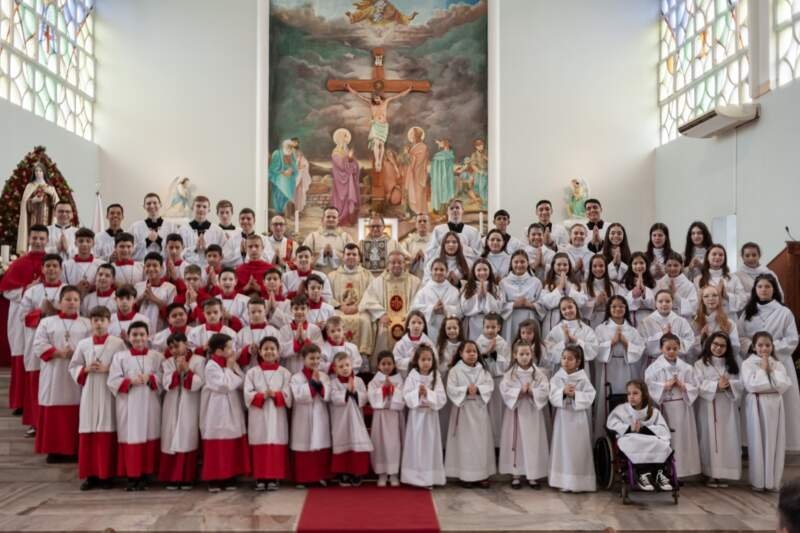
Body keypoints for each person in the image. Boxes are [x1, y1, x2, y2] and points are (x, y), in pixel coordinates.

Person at [737, 274, 800, 452]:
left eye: (767, 286)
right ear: (755, 290)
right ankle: (752, 444)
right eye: (760, 287)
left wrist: (769, 349)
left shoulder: (784, 312)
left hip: (779, 363)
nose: (763, 290)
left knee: (783, 402)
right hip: (754, 363)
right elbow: (740, 336)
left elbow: (792, 339)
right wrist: (754, 348)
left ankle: (784, 444)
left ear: (774, 290)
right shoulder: (748, 312)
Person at [68, 306, 125, 490]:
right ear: (91, 323)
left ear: (109, 322)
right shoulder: (83, 344)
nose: (99, 324)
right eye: (95, 320)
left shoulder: (117, 343)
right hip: (90, 390)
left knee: (107, 430)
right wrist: (85, 369)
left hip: (108, 391)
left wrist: (108, 369)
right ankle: (90, 475)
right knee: (89, 430)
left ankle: (106, 475)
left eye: (102, 320)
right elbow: (73, 366)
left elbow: (126, 365)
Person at [32, 285, 90, 462]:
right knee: (54, 410)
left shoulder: (87, 323)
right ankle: (54, 450)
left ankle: (74, 450)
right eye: (68, 299)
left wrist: (76, 354)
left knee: (77, 409)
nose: (72, 303)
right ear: (60, 302)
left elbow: (92, 347)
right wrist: (58, 353)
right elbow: (38, 344)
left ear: (80, 303)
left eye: (75, 300)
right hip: (54, 372)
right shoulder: (47, 322)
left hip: (76, 374)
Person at [107, 321, 163, 491]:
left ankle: (146, 475)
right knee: (131, 437)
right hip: (128, 404)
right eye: (135, 335)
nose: (138, 338)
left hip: (150, 402)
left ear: (148, 336)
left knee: (149, 434)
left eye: (142, 334)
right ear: (128, 337)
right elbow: (112, 380)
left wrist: (151, 378)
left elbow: (164, 377)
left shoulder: (156, 356)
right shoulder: (120, 357)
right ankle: (132, 476)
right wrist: (130, 381)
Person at [1, 224, 48, 418]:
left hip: (45, 319)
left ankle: (38, 403)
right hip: (20, 318)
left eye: (41, 238)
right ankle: (21, 402)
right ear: (29, 239)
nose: (37, 241)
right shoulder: (19, 263)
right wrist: (27, 288)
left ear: (47, 240)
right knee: (22, 356)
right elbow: (6, 291)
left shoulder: (51, 263)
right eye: (34, 238)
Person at [644, 333, 701, 479]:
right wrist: (665, 385)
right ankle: (666, 471)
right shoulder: (654, 368)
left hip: (683, 407)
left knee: (683, 439)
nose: (671, 352)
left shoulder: (686, 368)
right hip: (665, 408)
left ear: (679, 348)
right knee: (669, 439)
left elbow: (695, 386)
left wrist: (683, 386)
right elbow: (649, 384)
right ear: (661, 348)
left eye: (675, 349)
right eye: (668, 348)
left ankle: (683, 471)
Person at [740, 332, 791, 492]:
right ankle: (759, 481)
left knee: (776, 442)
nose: (764, 348)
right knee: (758, 441)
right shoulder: (747, 364)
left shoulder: (778, 364)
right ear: (754, 347)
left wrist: (770, 370)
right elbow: (752, 386)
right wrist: (763, 370)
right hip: (758, 404)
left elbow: (783, 385)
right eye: (760, 345)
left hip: (775, 405)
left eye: (767, 345)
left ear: (772, 346)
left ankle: (773, 481)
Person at [19, 253, 64, 434]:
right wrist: (41, 312)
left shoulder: (67, 290)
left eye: (55, 266)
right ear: (42, 269)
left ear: (60, 269)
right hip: (36, 342)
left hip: (60, 345)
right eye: (48, 266)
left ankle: (54, 425)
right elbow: (22, 317)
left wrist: (55, 311)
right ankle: (36, 423)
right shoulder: (32, 291)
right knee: (36, 383)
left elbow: (76, 313)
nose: (51, 269)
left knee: (58, 385)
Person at [200, 332, 250, 492]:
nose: (232, 350)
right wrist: (229, 369)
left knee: (231, 441)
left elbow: (242, 381)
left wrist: (231, 369)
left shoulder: (230, 363)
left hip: (232, 406)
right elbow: (223, 386)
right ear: (219, 351)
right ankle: (214, 478)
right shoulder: (211, 365)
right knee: (217, 443)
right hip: (217, 408)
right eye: (229, 347)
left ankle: (229, 476)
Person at [606, 380, 674, 492]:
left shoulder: (653, 412)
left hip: (649, 437)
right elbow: (612, 423)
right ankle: (643, 474)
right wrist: (629, 428)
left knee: (660, 443)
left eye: (635, 393)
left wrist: (643, 429)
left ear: (644, 394)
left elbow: (663, 429)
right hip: (630, 437)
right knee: (634, 442)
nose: (631, 397)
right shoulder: (621, 409)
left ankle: (660, 474)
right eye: (629, 394)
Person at [498, 341, 550, 489]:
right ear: (515, 355)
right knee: (517, 443)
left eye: (527, 354)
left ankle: (532, 475)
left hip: (533, 414)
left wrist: (532, 391)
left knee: (533, 443)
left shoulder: (538, 374)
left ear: (532, 355)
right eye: (521, 354)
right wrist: (519, 392)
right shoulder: (510, 374)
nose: (525, 357)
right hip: (516, 412)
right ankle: (516, 475)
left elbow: (545, 389)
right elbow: (504, 389)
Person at [694, 332, 742, 487]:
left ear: (727, 348)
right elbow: (697, 384)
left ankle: (724, 474)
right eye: (715, 344)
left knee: (727, 438)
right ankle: (710, 474)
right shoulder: (700, 364)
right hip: (708, 407)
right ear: (709, 344)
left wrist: (729, 385)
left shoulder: (732, 364)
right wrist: (716, 385)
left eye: (722, 345)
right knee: (709, 439)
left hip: (727, 407)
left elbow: (741, 383)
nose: (718, 348)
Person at [445, 340, 496, 487]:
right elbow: (451, 389)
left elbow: (490, 386)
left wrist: (479, 389)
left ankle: (482, 475)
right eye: (468, 351)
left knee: (480, 444)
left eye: (474, 351)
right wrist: (465, 390)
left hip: (479, 411)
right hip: (463, 411)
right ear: (461, 353)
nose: (472, 354)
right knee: (464, 444)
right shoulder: (455, 371)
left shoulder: (483, 370)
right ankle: (465, 476)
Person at [244, 336, 292, 491]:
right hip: (259, 413)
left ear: (278, 352)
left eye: (272, 349)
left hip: (277, 414)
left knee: (275, 441)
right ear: (259, 351)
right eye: (266, 349)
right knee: (260, 442)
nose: (269, 352)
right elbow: (247, 393)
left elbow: (288, 394)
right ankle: (260, 477)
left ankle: (274, 477)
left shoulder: (285, 373)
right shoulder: (252, 372)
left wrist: (276, 395)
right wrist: (261, 396)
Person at [594, 296, 645, 438]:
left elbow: (640, 349)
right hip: (609, 367)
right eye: (614, 306)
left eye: (621, 306)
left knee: (628, 397)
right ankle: (604, 437)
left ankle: (627, 434)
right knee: (607, 398)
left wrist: (625, 342)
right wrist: (612, 342)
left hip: (626, 367)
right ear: (609, 309)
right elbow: (595, 349)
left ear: (626, 309)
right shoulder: (601, 328)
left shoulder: (632, 330)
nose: (618, 309)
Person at [158, 332, 204, 490]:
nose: (174, 350)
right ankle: (172, 477)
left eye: (177, 346)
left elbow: (199, 383)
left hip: (190, 403)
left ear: (187, 344)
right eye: (171, 348)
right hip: (172, 403)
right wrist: (177, 372)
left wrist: (187, 371)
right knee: (170, 437)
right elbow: (166, 383)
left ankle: (187, 477)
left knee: (187, 437)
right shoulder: (167, 363)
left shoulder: (198, 360)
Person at [548, 345, 597, 493]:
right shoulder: (557, 377)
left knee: (578, 449)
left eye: (570, 359)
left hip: (578, 418)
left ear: (578, 361)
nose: (566, 361)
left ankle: (579, 483)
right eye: (563, 358)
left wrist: (576, 394)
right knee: (563, 449)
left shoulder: (582, 378)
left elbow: (590, 396)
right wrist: (562, 392)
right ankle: (563, 481)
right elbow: (552, 395)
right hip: (563, 418)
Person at [359, 250, 421, 358]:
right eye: (393, 262)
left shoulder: (415, 281)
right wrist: (381, 314)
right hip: (386, 319)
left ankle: (407, 363)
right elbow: (368, 300)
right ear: (388, 264)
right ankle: (384, 365)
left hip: (407, 319)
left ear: (404, 264)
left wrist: (410, 316)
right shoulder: (378, 281)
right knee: (383, 331)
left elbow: (418, 301)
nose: (396, 265)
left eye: (399, 262)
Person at [401, 344, 447, 488]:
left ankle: (429, 478)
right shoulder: (412, 376)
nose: (426, 362)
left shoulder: (436, 377)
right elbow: (406, 396)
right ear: (417, 361)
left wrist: (428, 393)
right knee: (416, 447)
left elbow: (441, 398)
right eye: (423, 359)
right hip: (416, 418)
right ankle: (413, 478)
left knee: (429, 447)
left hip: (430, 418)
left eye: (429, 359)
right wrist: (417, 393)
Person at [344, 83, 411, 173]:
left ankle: (380, 160)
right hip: (376, 125)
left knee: (381, 144)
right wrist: (349, 88)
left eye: (378, 98)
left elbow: (398, 95)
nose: (376, 100)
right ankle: (377, 162)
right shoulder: (371, 103)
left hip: (384, 126)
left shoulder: (386, 102)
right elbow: (358, 95)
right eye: (375, 99)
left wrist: (408, 90)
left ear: (380, 98)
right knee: (376, 142)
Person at [289, 344, 332, 486]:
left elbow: (327, 395)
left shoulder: (324, 376)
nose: (315, 361)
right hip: (302, 416)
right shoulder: (296, 377)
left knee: (320, 442)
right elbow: (298, 396)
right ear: (303, 359)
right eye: (312, 358)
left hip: (320, 414)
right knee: (303, 444)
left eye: (318, 358)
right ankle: (303, 479)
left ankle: (320, 476)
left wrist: (320, 386)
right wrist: (313, 383)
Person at [329, 352, 372, 486]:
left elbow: (364, 397)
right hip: (341, 420)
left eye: (347, 365)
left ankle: (357, 473)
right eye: (341, 366)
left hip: (356, 419)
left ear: (352, 365)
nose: (345, 368)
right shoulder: (333, 383)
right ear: (335, 369)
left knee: (357, 443)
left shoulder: (358, 381)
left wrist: (355, 392)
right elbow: (334, 397)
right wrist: (346, 392)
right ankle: (344, 473)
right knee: (343, 443)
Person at [327, 243, 374, 357]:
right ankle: (336, 353)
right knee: (333, 321)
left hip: (360, 310)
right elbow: (327, 296)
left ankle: (363, 355)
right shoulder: (332, 276)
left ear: (359, 258)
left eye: (354, 254)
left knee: (365, 321)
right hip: (339, 310)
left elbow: (372, 295)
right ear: (343, 257)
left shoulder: (367, 275)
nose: (351, 257)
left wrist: (358, 307)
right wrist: (340, 306)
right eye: (348, 254)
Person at [367, 352, 405, 487]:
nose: (386, 366)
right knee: (380, 444)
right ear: (378, 365)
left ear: (394, 365)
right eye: (383, 364)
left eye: (389, 363)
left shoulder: (399, 380)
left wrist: (393, 389)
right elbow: (371, 397)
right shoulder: (375, 381)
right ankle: (382, 473)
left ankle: (394, 473)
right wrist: (383, 389)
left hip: (394, 416)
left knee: (394, 445)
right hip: (381, 417)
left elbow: (403, 397)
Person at [476, 313, 510, 447]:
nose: (490, 330)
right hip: (483, 383)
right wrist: (486, 353)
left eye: (493, 327)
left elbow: (507, 364)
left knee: (497, 413)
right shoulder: (478, 342)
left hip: (497, 380)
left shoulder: (503, 343)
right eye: (487, 327)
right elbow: (475, 362)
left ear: (499, 327)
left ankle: (497, 444)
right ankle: (484, 443)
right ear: (483, 327)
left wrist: (495, 355)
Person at [638, 290, 695, 371]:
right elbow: (641, 344)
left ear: (672, 303)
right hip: (654, 363)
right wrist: (661, 335)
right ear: (655, 303)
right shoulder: (645, 322)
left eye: (668, 301)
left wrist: (672, 337)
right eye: (660, 301)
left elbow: (690, 341)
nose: (664, 304)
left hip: (677, 363)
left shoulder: (681, 321)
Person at [411, 258, 462, 344]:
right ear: (431, 271)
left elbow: (460, 311)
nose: (438, 272)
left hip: (449, 331)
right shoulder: (424, 291)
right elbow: (414, 309)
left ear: (447, 272)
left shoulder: (454, 291)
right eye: (435, 269)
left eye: (442, 270)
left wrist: (446, 309)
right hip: (430, 330)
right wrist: (432, 309)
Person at [544, 297, 599, 377]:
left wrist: (577, 341)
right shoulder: (556, 330)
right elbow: (548, 351)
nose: (568, 311)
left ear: (575, 307)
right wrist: (564, 342)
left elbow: (593, 349)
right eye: (564, 309)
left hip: (581, 370)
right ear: (561, 312)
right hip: (561, 371)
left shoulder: (586, 329)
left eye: (570, 307)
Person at [539, 252, 586, 336]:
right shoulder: (548, 284)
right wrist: (560, 287)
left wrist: (567, 287)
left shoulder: (576, 284)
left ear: (569, 266)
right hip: (552, 320)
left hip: (572, 321)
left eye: (565, 265)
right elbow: (546, 303)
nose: (562, 267)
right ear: (553, 266)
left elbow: (581, 302)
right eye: (559, 264)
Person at [17, 161, 59, 254]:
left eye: (40, 171)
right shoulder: (30, 186)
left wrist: (50, 195)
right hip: (33, 217)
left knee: (45, 233)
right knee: (34, 233)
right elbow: (24, 203)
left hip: (46, 217)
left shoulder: (50, 187)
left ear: (44, 172)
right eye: (36, 171)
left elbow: (56, 204)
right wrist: (33, 200)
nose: (38, 173)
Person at [693, 244, 747, 315]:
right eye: (714, 254)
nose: (717, 257)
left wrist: (726, 295)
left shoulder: (733, 278)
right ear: (707, 257)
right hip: (707, 317)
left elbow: (743, 300)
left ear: (724, 258)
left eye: (721, 255)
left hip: (728, 317)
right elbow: (694, 303)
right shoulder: (698, 279)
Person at [689, 285, 740, 362]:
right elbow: (690, 351)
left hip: (725, 363)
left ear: (719, 299)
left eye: (714, 295)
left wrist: (719, 342)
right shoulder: (695, 323)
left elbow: (736, 348)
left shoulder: (729, 323)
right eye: (706, 296)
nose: (711, 298)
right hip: (702, 363)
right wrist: (701, 338)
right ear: (702, 300)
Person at [500, 250, 541, 340]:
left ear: (527, 263)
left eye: (522, 262)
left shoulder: (536, 282)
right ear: (511, 264)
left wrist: (530, 305)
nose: (519, 265)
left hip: (530, 317)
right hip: (511, 319)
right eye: (516, 262)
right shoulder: (503, 282)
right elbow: (499, 305)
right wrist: (513, 305)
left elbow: (542, 304)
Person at [277, 295, 324, 374]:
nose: (299, 311)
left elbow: (319, 350)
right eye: (296, 308)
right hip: (290, 368)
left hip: (310, 370)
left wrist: (305, 340)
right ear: (291, 310)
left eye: (303, 308)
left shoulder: (315, 329)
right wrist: (296, 342)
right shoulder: (284, 329)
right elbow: (281, 351)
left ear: (308, 309)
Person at [460, 259, 505, 340]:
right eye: (479, 270)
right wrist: (478, 296)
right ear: (474, 272)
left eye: (485, 269)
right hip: (473, 323)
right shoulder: (468, 287)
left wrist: (487, 295)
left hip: (490, 324)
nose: (482, 273)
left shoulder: (495, 288)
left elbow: (498, 309)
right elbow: (464, 308)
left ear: (489, 271)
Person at [302, 207, 355, 274]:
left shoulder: (346, 237)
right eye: (328, 217)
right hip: (317, 277)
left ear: (338, 220)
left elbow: (353, 260)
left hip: (341, 276)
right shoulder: (312, 237)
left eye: (334, 217)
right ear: (322, 219)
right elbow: (303, 258)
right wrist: (322, 253)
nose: (331, 219)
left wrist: (334, 253)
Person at [134, 252, 176, 334]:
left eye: (155, 265)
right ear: (144, 268)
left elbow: (171, 312)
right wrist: (142, 298)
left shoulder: (170, 288)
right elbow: (132, 309)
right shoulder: (138, 286)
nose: (151, 269)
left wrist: (153, 298)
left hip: (161, 331)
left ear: (161, 268)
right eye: (148, 266)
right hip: (140, 331)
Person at [180, 196, 226, 267]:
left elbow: (223, 253)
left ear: (209, 210)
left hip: (210, 268)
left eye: (204, 207)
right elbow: (179, 253)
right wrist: (195, 248)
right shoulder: (183, 230)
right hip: (189, 267)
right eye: (198, 206)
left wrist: (207, 249)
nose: (201, 209)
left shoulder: (218, 231)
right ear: (192, 208)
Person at [130, 193, 178, 261]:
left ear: (160, 205)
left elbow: (177, 248)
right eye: (148, 203)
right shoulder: (135, 227)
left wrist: (159, 240)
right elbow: (130, 250)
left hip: (165, 264)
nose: (152, 206)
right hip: (142, 264)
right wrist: (147, 241)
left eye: (155, 203)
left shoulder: (171, 226)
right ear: (144, 206)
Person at [235, 298, 280, 369]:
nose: (256, 315)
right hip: (247, 370)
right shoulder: (242, 333)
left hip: (269, 370)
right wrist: (247, 350)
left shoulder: (273, 331)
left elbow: (279, 352)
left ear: (265, 312)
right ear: (248, 313)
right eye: (253, 312)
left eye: (259, 311)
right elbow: (235, 354)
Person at [329, 131, 361, 225]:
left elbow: (354, 165)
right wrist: (348, 159)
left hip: (348, 180)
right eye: (344, 138)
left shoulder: (347, 152)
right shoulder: (335, 152)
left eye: (346, 139)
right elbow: (341, 166)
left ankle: (348, 219)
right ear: (340, 139)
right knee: (340, 199)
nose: (346, 141)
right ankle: (339, 218)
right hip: (340, 180)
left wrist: (351, 160)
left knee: (348, 199)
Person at [392, 311, 437, 376]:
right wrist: (410, 359)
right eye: (413, 322)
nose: (416, 325)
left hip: (424, 377)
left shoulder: (428, 343)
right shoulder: (400, 344)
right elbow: (395, 362)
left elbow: (435, 361)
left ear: (423, 326)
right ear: (408, 325)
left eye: (419, 323)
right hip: (405, 377)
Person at [655, 252, 698, 320]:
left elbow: (693, 307)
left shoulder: (689, 285)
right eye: (669, 265)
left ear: (681, 266)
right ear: (665, 266)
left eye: (676, 265)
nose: (672, 268)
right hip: (662, 318)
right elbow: (654, 304)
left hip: (681, 318)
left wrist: (675, 294)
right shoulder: (660, 283)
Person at [621, 252, 656, 327]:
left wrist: (644, 293)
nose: (639, 266)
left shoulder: (653, 282)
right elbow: (623, 303)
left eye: (641, 263)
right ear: (630, 266)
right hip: (632, 317)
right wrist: (634, 295)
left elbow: (655, 303)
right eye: (635, 263)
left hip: (649, 317)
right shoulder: (624, 283)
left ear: (646, 264)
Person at [62, 228, 101, 296]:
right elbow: (62, 287)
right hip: (73, 298)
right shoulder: (65, 265)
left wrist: (93, 287)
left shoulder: (101, 264)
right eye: (81, 241)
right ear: (75, 243)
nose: (84, 244)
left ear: (93, 243)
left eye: (88, 241)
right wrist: (76, 288)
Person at [582, 254, 618, 328]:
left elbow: (619, 304)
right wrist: (595, 303)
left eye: (601, 266)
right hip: (592, 321)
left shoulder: (614, 286)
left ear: (606, 267)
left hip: (609, 321)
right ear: (590, 268)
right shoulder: (584, 286)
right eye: (595, 266)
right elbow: (581, 306)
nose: (598, 269)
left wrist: (608, 302)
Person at [268, 139, 298, 216]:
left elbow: (295, 168)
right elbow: (272, 169)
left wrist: (291, 170)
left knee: (293, 180)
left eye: (291, 147)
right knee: (283, 180)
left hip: (290, 176)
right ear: (284, 146)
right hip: (277, 176)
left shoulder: (292, 155)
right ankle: (280, 211)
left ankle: (288, 210)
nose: (290, 149)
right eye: (289, 146)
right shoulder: (277, 154)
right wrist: (283, 172)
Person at [405, 126, 429, 216]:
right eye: (412, 135)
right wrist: (408, 154)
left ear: (418, 136)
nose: (412, 137)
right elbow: (410, 160)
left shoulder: (423, 147)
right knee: (412, 192)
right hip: (412, 173)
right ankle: (413, 213)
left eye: (414, 135)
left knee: (418, 193)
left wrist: (409, 154)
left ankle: (419, 212)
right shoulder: (414, 147)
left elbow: (420, 160)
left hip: (419, 173)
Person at [402, 213, 431, 279]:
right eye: (419, 221)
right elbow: (403, 261)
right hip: (412, 279)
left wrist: (425, 258)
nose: (422, 223)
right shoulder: (408, 242)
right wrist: (414, 259)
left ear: (429, 224)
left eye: (425, 221)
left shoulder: (435, 241)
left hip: (429, 279)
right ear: (416, 224)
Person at [430, 138, 455, 212]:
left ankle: (444, 208)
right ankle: (441, 208)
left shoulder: (442, 155)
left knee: (444, 189)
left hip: (444, 176)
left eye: (441, 143)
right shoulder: (447, 154)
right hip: (441, 176)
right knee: (442, 189)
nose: (439, 144)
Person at [291, 138, 312, 214]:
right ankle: (293, 210)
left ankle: (299, 209)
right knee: (292, 192)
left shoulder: (299, 152)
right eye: (293, 142)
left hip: (300, 174)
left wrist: (302, 165)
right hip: (292, 174)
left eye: (296, 142)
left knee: (300, 191)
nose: (295, 143)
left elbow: (304, 162)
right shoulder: (288, 152)